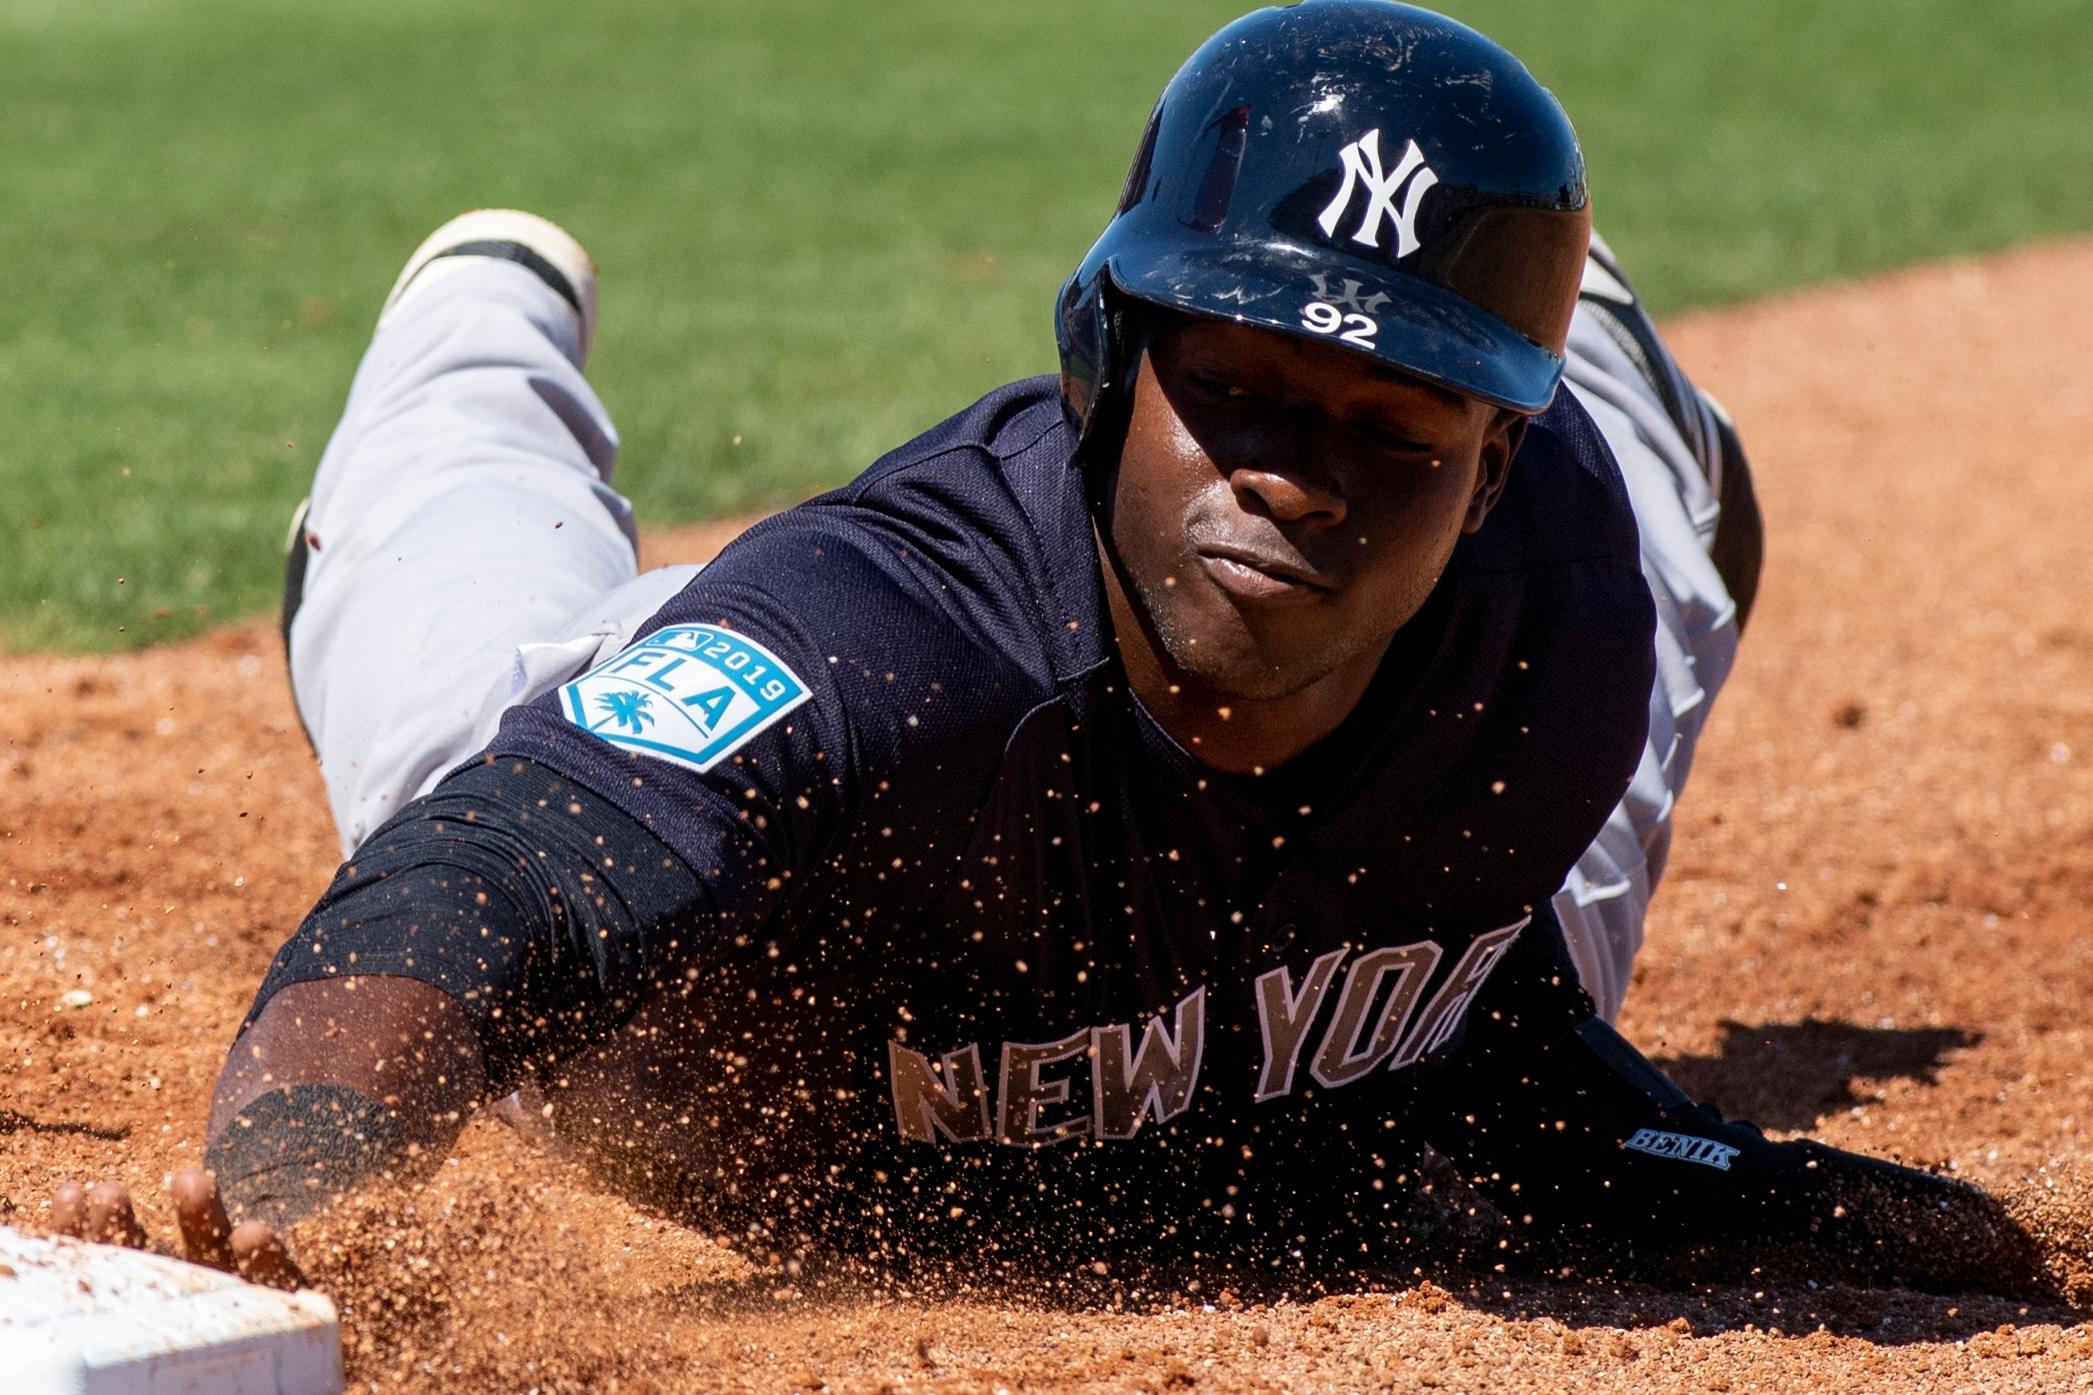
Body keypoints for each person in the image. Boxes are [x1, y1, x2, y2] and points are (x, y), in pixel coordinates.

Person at [55, 0, 2021, 1291]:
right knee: (458, 723)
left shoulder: (1561, 617)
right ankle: (476, 319)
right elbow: (472, 891)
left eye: (1397, 431)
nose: (1298, 481)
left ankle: (1577, 337)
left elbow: (1493, 1049)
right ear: (1108, 360)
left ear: (1491, 469)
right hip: (720, 982)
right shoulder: (876, 655)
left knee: (1650, 540)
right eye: (1240, 389)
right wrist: (302, 1210)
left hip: (1420, 731)